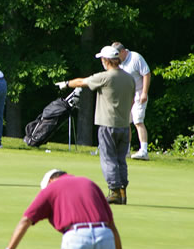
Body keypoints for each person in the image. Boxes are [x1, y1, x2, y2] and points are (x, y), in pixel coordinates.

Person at [55, 46, 135, 205]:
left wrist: (65, 83)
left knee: (108, 159)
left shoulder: (105, 77)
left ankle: (114, 192)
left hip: (107, 124)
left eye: (102, 60)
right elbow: (132, 100)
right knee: (121, 159)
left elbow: (82, 82)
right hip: (125, 126)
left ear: (107, 61)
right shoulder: (129, 78)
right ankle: (122, 192)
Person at [0, 169, 124, 249]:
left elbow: (26, 220)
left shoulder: (51, 188)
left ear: (50, 181)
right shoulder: (89, 183)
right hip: (105, 236)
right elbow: (111, 225)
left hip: (77, 237)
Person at [111, 42, 151, 161]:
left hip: (139, 93)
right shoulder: (119, 62)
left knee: (138, 121)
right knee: (125, 122)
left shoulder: (135, 57)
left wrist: (144, 92)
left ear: (123, 51)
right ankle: (126, 150)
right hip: (127, 95)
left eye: (117, 55)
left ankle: (144, 151)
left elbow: (146, 74)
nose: (116, 58)